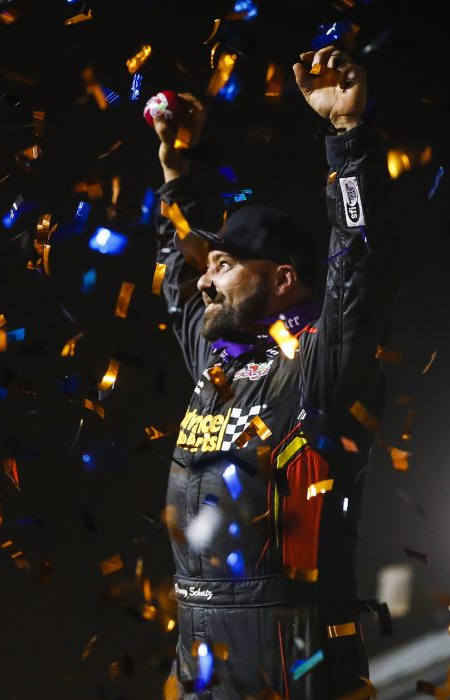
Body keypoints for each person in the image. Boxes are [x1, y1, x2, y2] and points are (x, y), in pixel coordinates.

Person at [150, 45, 399, 698]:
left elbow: (360, 271)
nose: (205, 280)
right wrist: (174, 169)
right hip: (198, 654)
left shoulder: (318, 367)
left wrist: (347, 140)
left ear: (284, 279)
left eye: (225, 265)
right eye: (208, 265)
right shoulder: (216, 363)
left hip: (295, 659)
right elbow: (177, 276)